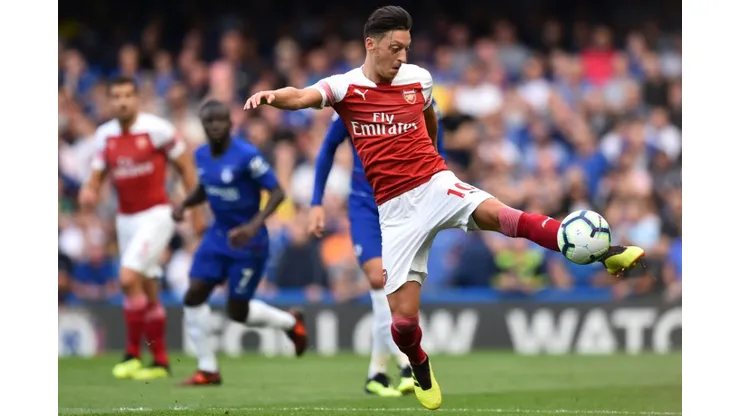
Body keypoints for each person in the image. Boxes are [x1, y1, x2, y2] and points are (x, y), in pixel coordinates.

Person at [244, 6, 645, 410]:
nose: (402, 57)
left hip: (435, 184)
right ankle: (418, 365)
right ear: (371, 44)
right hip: (395, 212)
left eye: (406, 48)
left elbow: (429, 116)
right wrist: (272, 97)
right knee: (403, 322)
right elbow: (301, 96)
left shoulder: (418, 79)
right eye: (395, 48)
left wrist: (439, 159)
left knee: (505, 217)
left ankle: (605, 253)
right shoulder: (345, 87)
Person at [308, 99, 445, 397]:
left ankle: (377, 374)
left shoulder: (418, 96)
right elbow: (328, 147)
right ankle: (406, 366)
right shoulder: (352, 98)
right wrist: (316, 201)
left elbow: (438, 149)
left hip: (405, 203)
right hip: (365, 205)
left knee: (393, 287)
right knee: (377, 277)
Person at [173, 100, 308, 386]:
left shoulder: (247, 155)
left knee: (238, 311)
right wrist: (185, 204)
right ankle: (208, 369)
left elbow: (277, 193)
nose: (215, 126)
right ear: (203, 126)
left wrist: (251, 227)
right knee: (193, 294)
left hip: (249, 242)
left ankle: (290, 323)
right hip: (218, 236)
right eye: (209, 122)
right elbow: (205, 187)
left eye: (221, 120)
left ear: (231, 124)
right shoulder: (201, 155)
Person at [79, 76, 204, 381]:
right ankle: (160, 361)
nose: (122, 102)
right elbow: (97, 175)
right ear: (110, 101)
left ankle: (132, 354)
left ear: (137, 99)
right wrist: (89, 191)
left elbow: (186, 167)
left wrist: (196, 212)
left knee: (127, 277)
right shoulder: (105, 135)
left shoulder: (157, 130)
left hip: (156, 214)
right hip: (125, 220)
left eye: (127, 96)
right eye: (116, 96)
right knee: (146, 288)